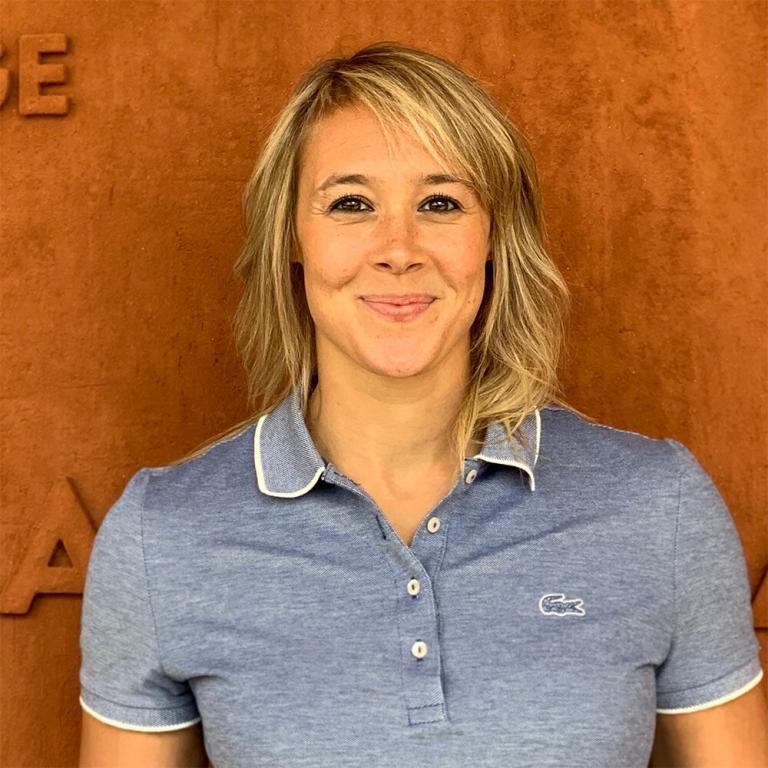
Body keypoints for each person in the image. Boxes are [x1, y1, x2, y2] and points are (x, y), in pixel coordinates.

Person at [78, 42, 768, 767]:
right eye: (351, 204)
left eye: (441, 203)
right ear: (292, 238)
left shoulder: (658, 507)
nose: (399, 249)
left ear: (494, 236)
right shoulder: (164, 535)